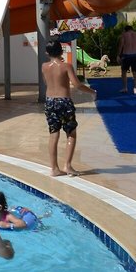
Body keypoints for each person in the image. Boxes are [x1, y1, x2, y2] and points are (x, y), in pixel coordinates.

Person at [41, 40, 97, 177]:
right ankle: (68, 166)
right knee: (71, 133)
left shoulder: (44, 66)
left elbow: (46, 82)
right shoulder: (66, 66)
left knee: (54, 133)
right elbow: (77, 85)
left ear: (47, 53)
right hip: (64, 102)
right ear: (61, 52)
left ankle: (54, 168)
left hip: (49, 101)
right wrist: (92, 92)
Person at [117, 25, 136, 94]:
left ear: (125, 30)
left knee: (124, 72)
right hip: (135, 54)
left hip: (126, 55)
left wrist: (118, 55)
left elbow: (121, 45)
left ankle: (125, 88)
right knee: (135, 73)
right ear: (132, 29)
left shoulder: (124, 35)